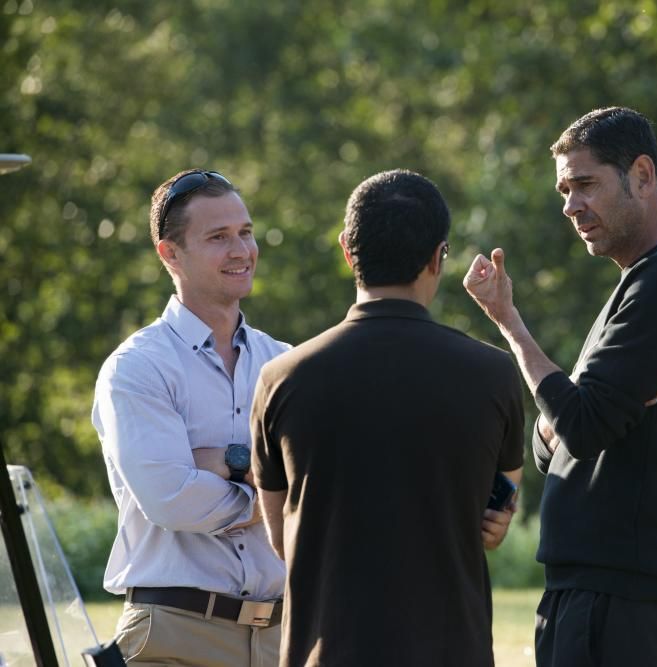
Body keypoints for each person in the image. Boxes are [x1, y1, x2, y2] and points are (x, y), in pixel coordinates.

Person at [463, 107, 657, 666]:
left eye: (585, 184)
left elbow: (582, 427)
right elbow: (552, 443)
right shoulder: (640, 281)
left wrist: (508, 323)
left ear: (642, 175)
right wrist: (569, 412)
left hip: (626, 597)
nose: (570, 205)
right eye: (564, 190)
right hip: (594, 590)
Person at [251, 169, 525, 667]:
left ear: (347, 251)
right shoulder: (493, 373)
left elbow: (280, 536)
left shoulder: (281, 379)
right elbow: (498, 507)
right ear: (438, 256)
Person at [91, 169, 288, 665]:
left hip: (285, 637)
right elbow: (173, 501)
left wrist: (224, 461)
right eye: (218, 237)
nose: (242, 250)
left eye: (245, 232)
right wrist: (276, 491)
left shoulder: (286, 363)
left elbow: (326, 487)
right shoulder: (136, 368)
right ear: (169, 253)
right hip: (172, 637)